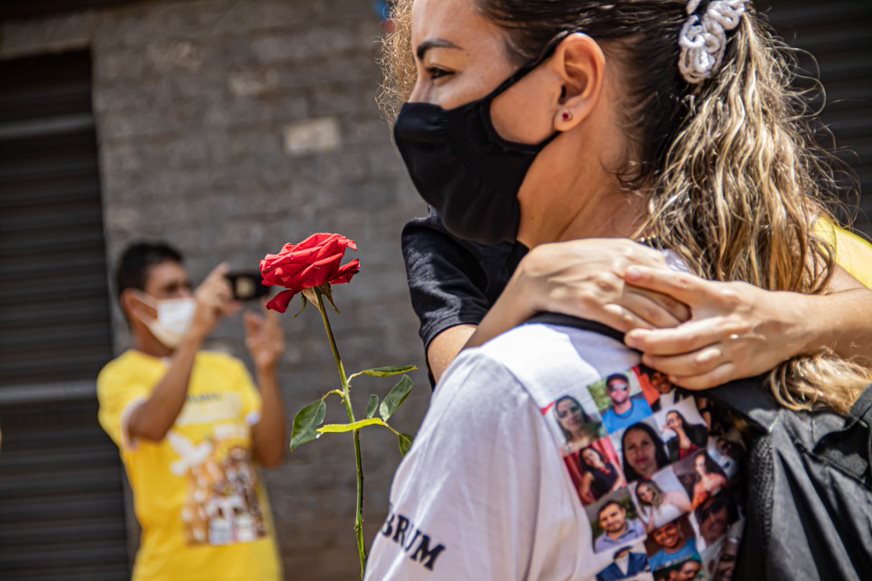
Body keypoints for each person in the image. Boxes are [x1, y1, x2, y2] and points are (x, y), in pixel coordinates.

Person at [367, 0, 871, 578]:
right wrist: (527, 285)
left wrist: (780, 321)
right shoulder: (744, 236)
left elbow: (484, 403)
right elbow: (465, 384)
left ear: (572, 84)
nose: (413, 109)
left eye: (441, 71)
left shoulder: (735, 229)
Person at [97, 242, 287, 581]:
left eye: (188, 286)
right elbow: (152, 425)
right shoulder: (121, 376)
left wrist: (267, 370)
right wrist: (194, 334)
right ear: (135, 304)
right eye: (170, 289)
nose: (187, 297)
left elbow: (271, 455)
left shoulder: (226, 369)